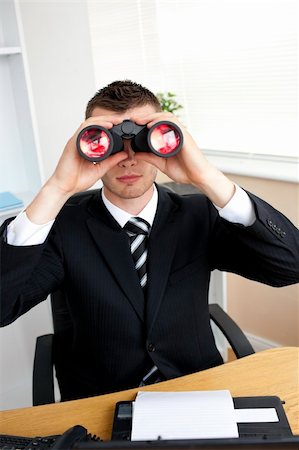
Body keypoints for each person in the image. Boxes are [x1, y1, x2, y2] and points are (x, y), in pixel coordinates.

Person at [1, 80, 298, 401]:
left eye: (142, 143)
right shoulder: (63, 225)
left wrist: (207, 177)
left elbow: (289, 267)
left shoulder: (199, 213)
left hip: (195, 387)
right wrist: (57, 188)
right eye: (112, 144)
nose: (128, 159)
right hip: (101, 398)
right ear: (86, 144)